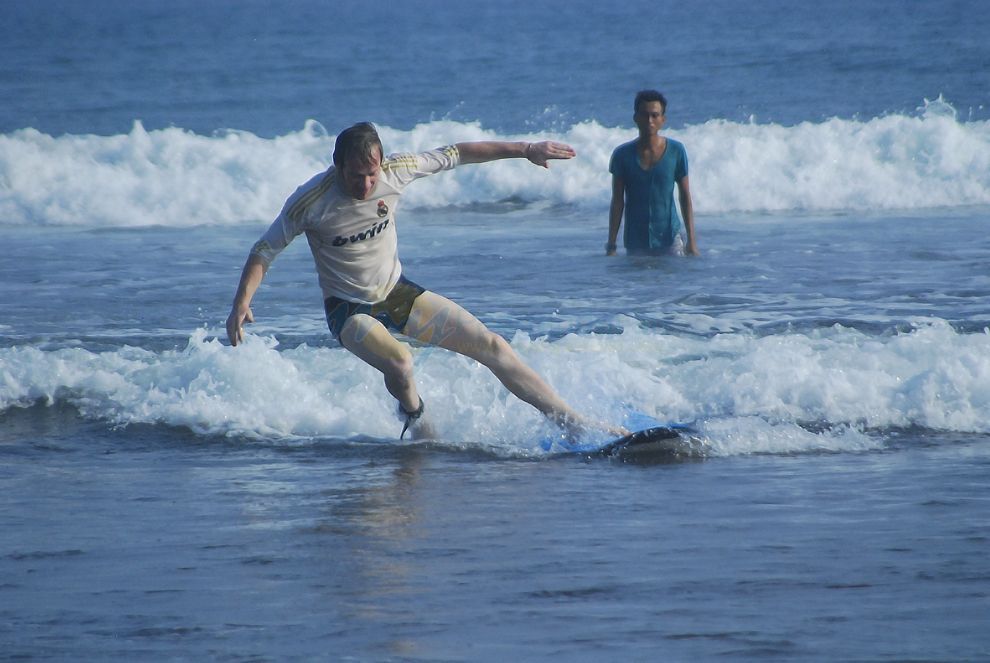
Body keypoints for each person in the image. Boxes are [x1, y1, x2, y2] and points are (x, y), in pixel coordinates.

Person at [227, 122, 623, 439]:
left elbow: (459, 153)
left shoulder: (397, 172)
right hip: (348, 310)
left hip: (397, 294)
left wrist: (525, 149)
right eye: (355, 175)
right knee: (400, 363)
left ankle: (571, 422)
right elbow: (264, 250)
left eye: (371, 173)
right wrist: (241, 302)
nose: (365, 184)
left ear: (380, 163)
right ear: (336, 165)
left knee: (493, 346)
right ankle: (416, 416)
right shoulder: (310, 201)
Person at [606, 90, 698, 257]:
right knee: (636, 283)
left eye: (655, 115)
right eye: (644, 115)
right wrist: (611, 245)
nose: (649, 121)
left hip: (670, 239)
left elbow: (685, 196)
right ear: (636, 118)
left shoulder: (676, 151)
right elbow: (617, 201)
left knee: (674, 282)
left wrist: (692, 241)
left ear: (663, 120)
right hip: (635, 241)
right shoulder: (622, 155)